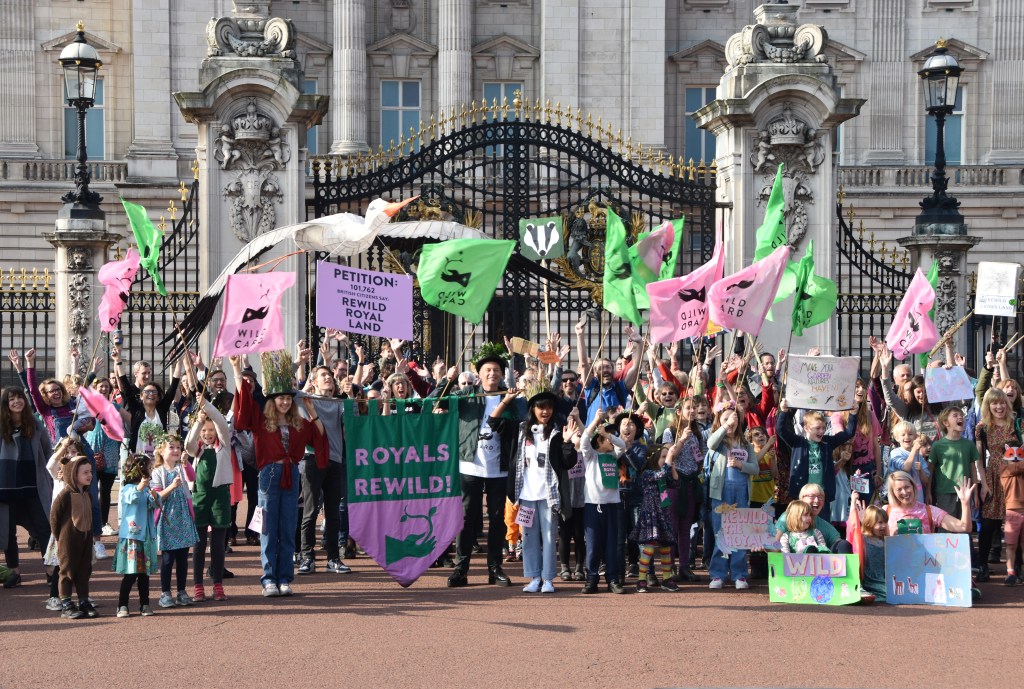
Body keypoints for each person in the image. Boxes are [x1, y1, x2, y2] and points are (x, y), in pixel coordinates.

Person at [230, 351, 326, 597]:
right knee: (268, 529)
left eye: (287, 398)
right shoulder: (261, 421)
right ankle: (269, 578)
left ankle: (285, 578)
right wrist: (237, 370)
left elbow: (320, 438)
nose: (284, 402)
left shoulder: (299, 424)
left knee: (287, 527)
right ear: (273, 401)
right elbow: (242, 413)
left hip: (291, 474)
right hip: (268, 475)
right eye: (280, 398)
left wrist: (311, 410)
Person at [448, 352, 519, 589]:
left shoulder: (511, 398)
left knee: (498, 520)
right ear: (479, 374)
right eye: (487, 370)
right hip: (470, 465)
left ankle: (495, 568)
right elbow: (436, 401)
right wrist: (446, 380)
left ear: (502, 375)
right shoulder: (468, 395)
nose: (492, 374)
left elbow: (517, 429)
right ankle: (461, 569)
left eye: (496, 370)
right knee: (467, 519)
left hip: (499, 469)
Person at [507, 389, 572, 594]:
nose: (545, 411)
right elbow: (513, 461)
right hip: (526, 495)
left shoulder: (556, 433)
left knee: (550, 536)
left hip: (548, 496)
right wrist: (512, 493)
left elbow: (567, 463)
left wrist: (568, 443)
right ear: (532, 409)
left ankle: (548, 578)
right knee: (528, 538)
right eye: (541, 407)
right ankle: (534, 577)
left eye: (549, 407)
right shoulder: (521, 430)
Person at [0, 387, 54, 590]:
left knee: (44, 528)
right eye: (11, 399)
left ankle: (51, 569)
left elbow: (48, 452)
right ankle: (14, 571)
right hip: (5, 487)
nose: (16, 402)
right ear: (6, 404)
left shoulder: (35, 425)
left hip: (33, 484)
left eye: (19, 398)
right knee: (8, 532)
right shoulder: (1, 425)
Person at [572, 407, 627, 594]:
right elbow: (585, 441)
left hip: (612, 505)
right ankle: (592, 579)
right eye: (605, 438)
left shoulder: (613, 455)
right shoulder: (591, 456)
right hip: (593, 505)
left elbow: (622, 445)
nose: (610, 440)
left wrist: (609, 436)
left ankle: (612, 579)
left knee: (611, 545)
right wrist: (595, 422)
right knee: (593, 545)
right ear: (598, 441)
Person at [185, 395, 234, 602]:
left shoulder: (223, 446)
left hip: (220, 497)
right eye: (204, 431)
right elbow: (187, 444)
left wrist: (206, 405)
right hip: (200, 497)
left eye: (210, 430)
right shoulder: (197, 451)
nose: (208, 434)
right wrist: (199, 419)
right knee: (198, 544)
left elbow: (222, 423)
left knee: (218, 544)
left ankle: (217, 584)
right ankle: (197, 585)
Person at [775, 394, 860, 513]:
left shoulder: (827, 443)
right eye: (817, 428)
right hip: (803, 495)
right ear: (806, 428)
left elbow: (849, 432)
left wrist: (854, 413)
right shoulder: (797, 442)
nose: (821, 431)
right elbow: (780, 430)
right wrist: (783, 411)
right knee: (802, 525)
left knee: (822, 526)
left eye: (824, 428)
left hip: (821, 497)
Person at [706, 407, 759, 589]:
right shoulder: (719, 442)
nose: (730, 421)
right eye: (726, 418)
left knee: (739, 533)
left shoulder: (746, 445)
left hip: (741, 491)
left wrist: (740, 464)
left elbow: (755, 468)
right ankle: (718, 574)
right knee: (720, 532)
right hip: (721, 492)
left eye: (733, 418)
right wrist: (724, 426)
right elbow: (710, 444)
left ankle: (740, 574)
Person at [974, 388, 1020, 582]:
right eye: (994, 403)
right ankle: (983, 565)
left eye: (1002, 402)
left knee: (1017, 523)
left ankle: (1016, 568)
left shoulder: (1016, 423)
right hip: (993, 476)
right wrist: (983, 484)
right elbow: (978, 459)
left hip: (1016, 478)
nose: (999, 406)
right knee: (988, 524)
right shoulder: (982, 427)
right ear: (988, 405)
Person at [151, 434, 199, 608]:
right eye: (171, 447)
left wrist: (186, 464)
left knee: (183, 558)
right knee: (167, 559)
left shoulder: (181, 467)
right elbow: (156, 498)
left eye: (178, 447)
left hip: (183, 517)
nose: (176, 450)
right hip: (167, 519)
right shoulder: (157, 472)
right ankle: (165, 593)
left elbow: (192, 477)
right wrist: (171, 486)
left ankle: (181, 591)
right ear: (161, 451)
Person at [662, 397, 705, 582]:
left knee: (686, 528)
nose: (693, 411)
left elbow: (701, 456)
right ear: (679, 412)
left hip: (690, 484)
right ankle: (668, 566)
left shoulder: (698, 433)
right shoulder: (669, 432)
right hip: (674, 484)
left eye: (694, 408)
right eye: (688, 408)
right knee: (671, 526)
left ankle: (685, 566)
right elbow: (668, 456)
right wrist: (681, 440)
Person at [48, 454, 95, 619]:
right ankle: (66, 602)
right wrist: (58, 537)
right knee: (67, 570)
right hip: (68, 539)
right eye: (85, 473)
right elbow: (54, 517)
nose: (89, 475)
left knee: (84, 570)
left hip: (86, 538)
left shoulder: (87, 494)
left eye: (90, 472)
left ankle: (83, 600)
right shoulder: (65, 495)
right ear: (73, 474)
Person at [114, 453, 159, 618]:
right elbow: (131, 498)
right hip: (132, 538)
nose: (150, 470)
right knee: (130, 574)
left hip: (145, 538)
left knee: (144, 575)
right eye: (148, 467)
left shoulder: (147, 489)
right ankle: (122, 605)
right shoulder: (128, 488)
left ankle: (145, 604)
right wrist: (140, 487)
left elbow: (156, 504)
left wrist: (155, 496)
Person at [632, 444, 679, 593]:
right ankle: (641, 579)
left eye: (667, 456)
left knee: (666, 547)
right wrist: (669, 460)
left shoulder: (663, 471)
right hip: (651, 513)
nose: (667, 459)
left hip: (663, 513)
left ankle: (666, 578)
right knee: (649, 547)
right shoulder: (647, 473)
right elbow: (661, 475)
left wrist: (673, 466)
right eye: (663, 456)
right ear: (654, 458)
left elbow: (675, 483)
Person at [885, 470, 976, 535]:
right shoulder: (885, 511)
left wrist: (965, 503)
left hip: (924, 560)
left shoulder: (929, 511)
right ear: (893, 492)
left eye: (907, 487)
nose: (904, 492)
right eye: (899, 489)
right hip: (895, 561)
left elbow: (964, 527)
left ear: (913, 486)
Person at [774, 483, 853, 554]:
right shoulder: (788, 516)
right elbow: (775, 542)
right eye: (812, 496)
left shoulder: (823, 525)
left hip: (819, 565)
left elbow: (838, 543)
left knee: (843, 544)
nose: (817, 500)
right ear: (801, 499)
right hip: (793, 564)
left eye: (820, 497)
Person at [887, 422, 932, 503]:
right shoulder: (895, 453)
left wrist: (921, 469)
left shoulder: (919, 457)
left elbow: (925, 481)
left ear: (915, 437)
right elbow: (905, 469)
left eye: (910, 434)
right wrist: (914, 449)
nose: (907, 437)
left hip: (917, 496)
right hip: (900, 495)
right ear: (897, 438)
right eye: (903, 435)